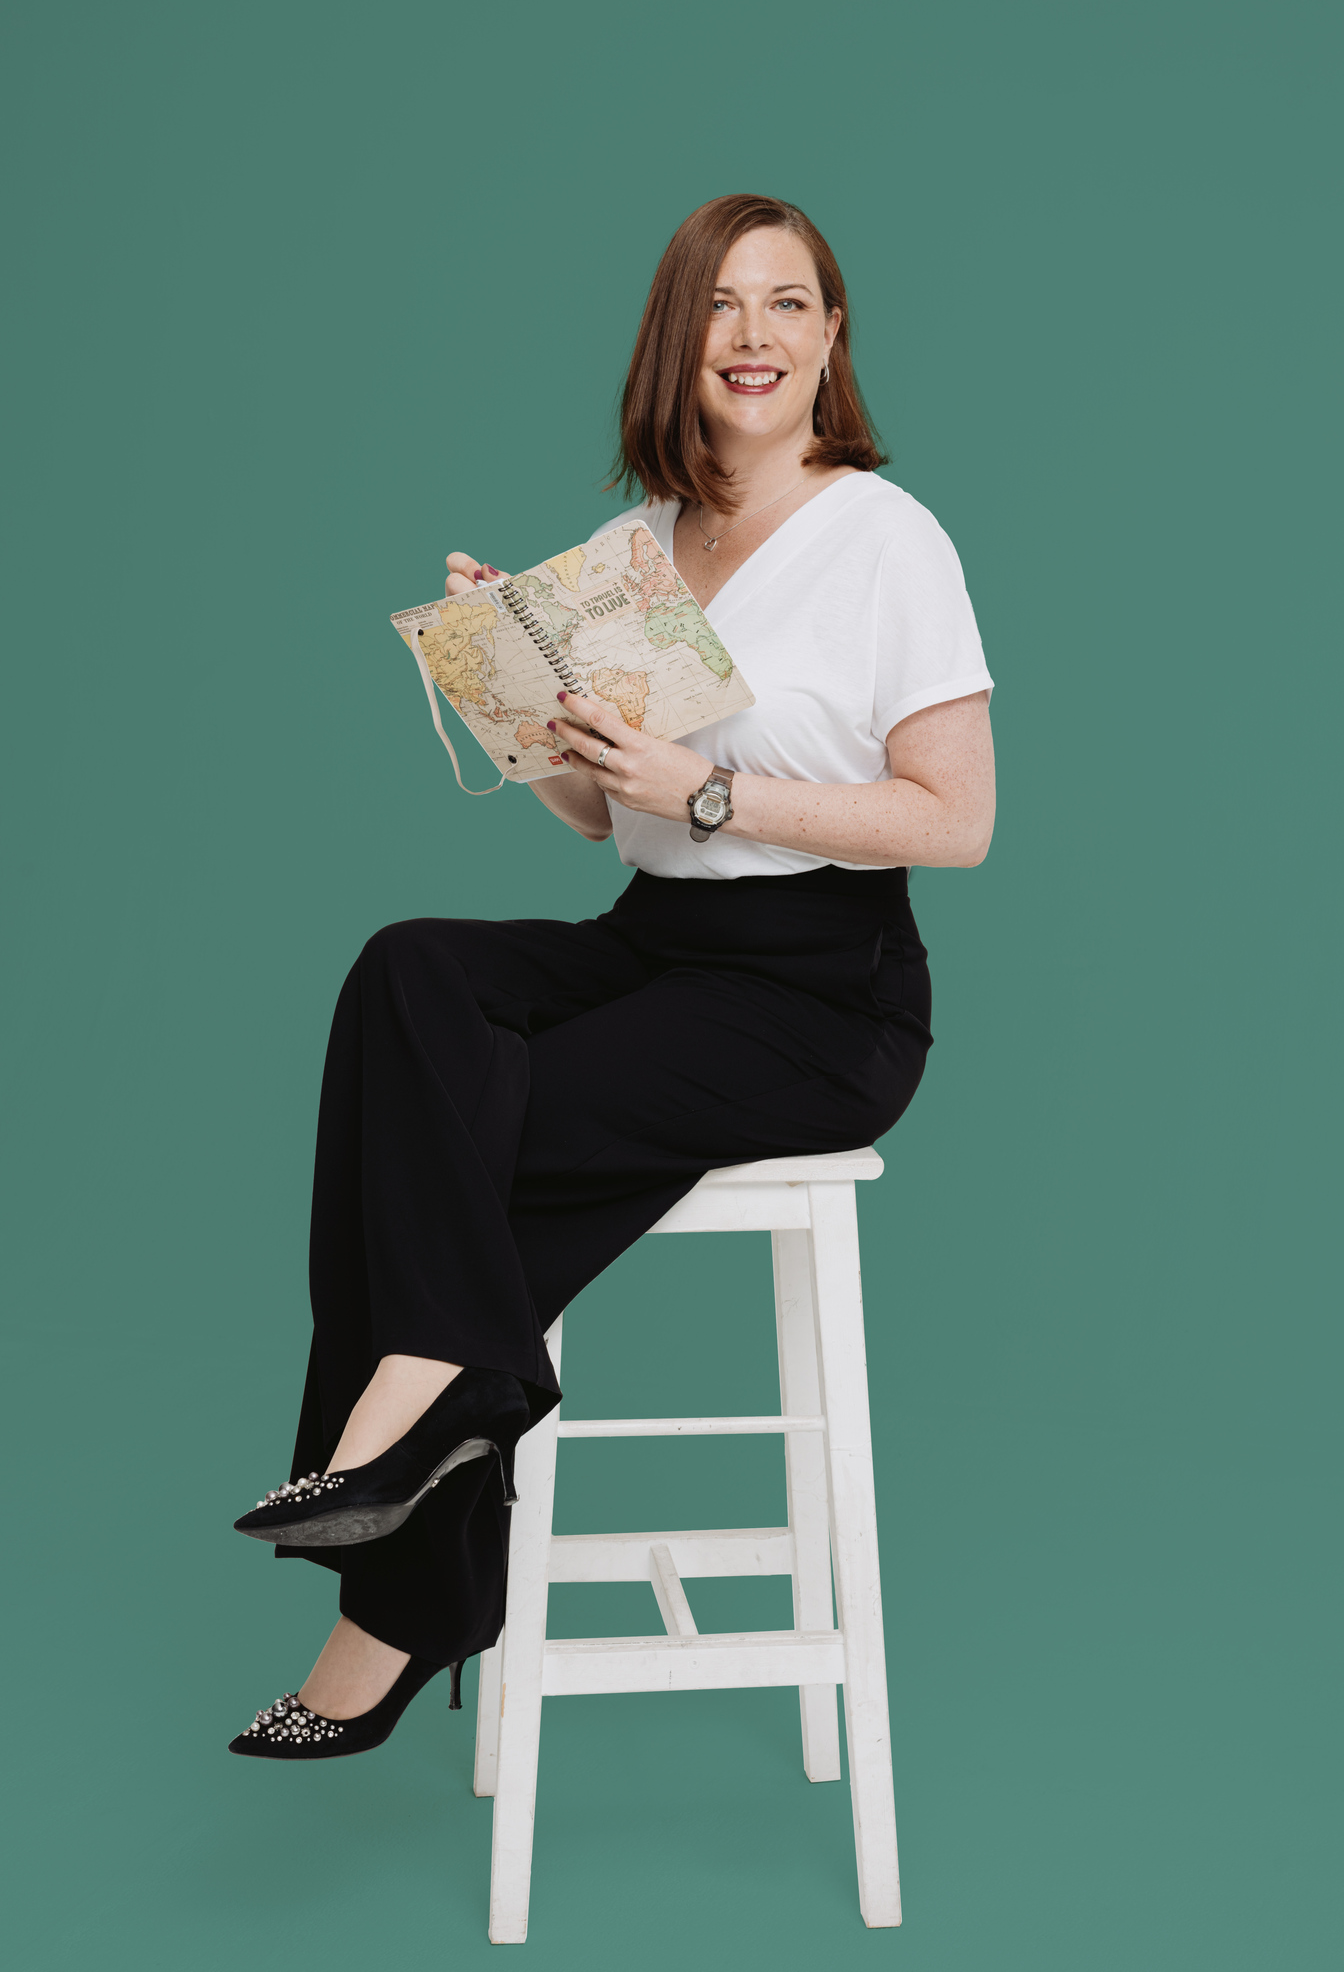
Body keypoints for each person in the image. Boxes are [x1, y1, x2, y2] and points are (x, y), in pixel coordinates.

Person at [228, 193, 995, 1760]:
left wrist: (709, 789)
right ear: (679, 337)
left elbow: (957, 820)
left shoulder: (886, 538)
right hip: (659, 947)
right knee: (411, 984)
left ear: (832, 337)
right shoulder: (635, 544)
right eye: (723, 306)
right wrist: (515, 683)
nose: (756, 337)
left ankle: (395, 1536)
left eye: (789, 305)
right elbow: (599, 815)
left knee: (465, 1136)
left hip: (820, 987)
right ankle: (430, 1433)